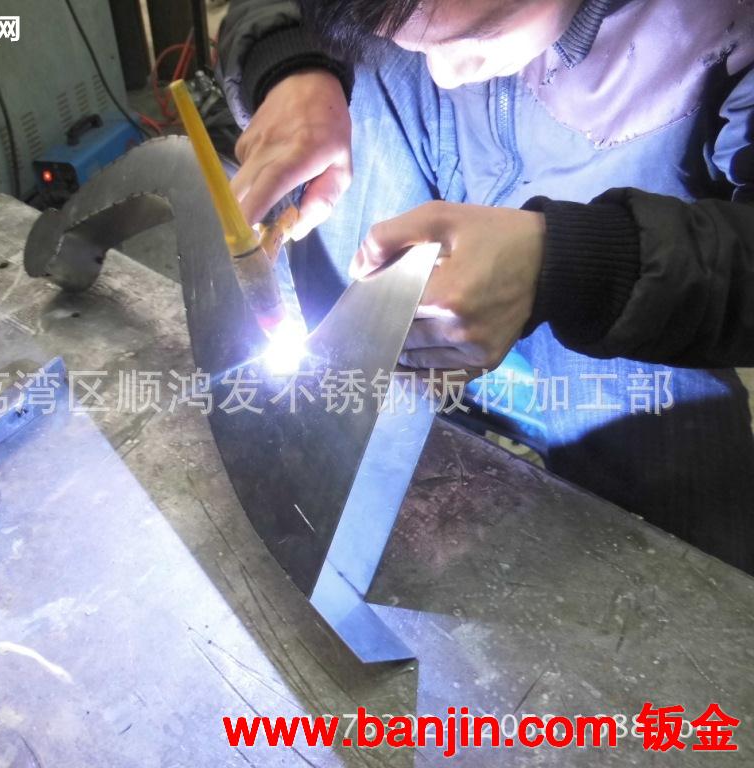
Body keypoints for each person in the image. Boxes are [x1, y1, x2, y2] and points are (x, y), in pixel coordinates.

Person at [216, 0, 754, 571]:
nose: (444, 73)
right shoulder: (436, 62)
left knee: (685, 561)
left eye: (476, 37)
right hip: (431, 167)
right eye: (414, 44)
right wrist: (293, 63)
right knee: (337, 400)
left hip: (616, 284)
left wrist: (579, 260)